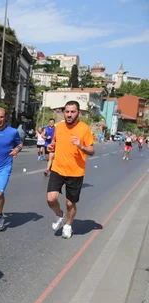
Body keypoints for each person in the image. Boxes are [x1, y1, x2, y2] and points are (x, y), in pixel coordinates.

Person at [46, 101, 95, 239]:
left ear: (78, 113)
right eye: (67, 111)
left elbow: (92, 150)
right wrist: (52, 146)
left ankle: (68, 225)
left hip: (75, 172)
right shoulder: (59, 127)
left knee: (69, 203)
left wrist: (81, 146)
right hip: (58, 168)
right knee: (51, 199)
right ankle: (59, 214)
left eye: (72, 112)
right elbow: (55, 141)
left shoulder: (84, 129)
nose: (69, 114)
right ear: (63, 112)